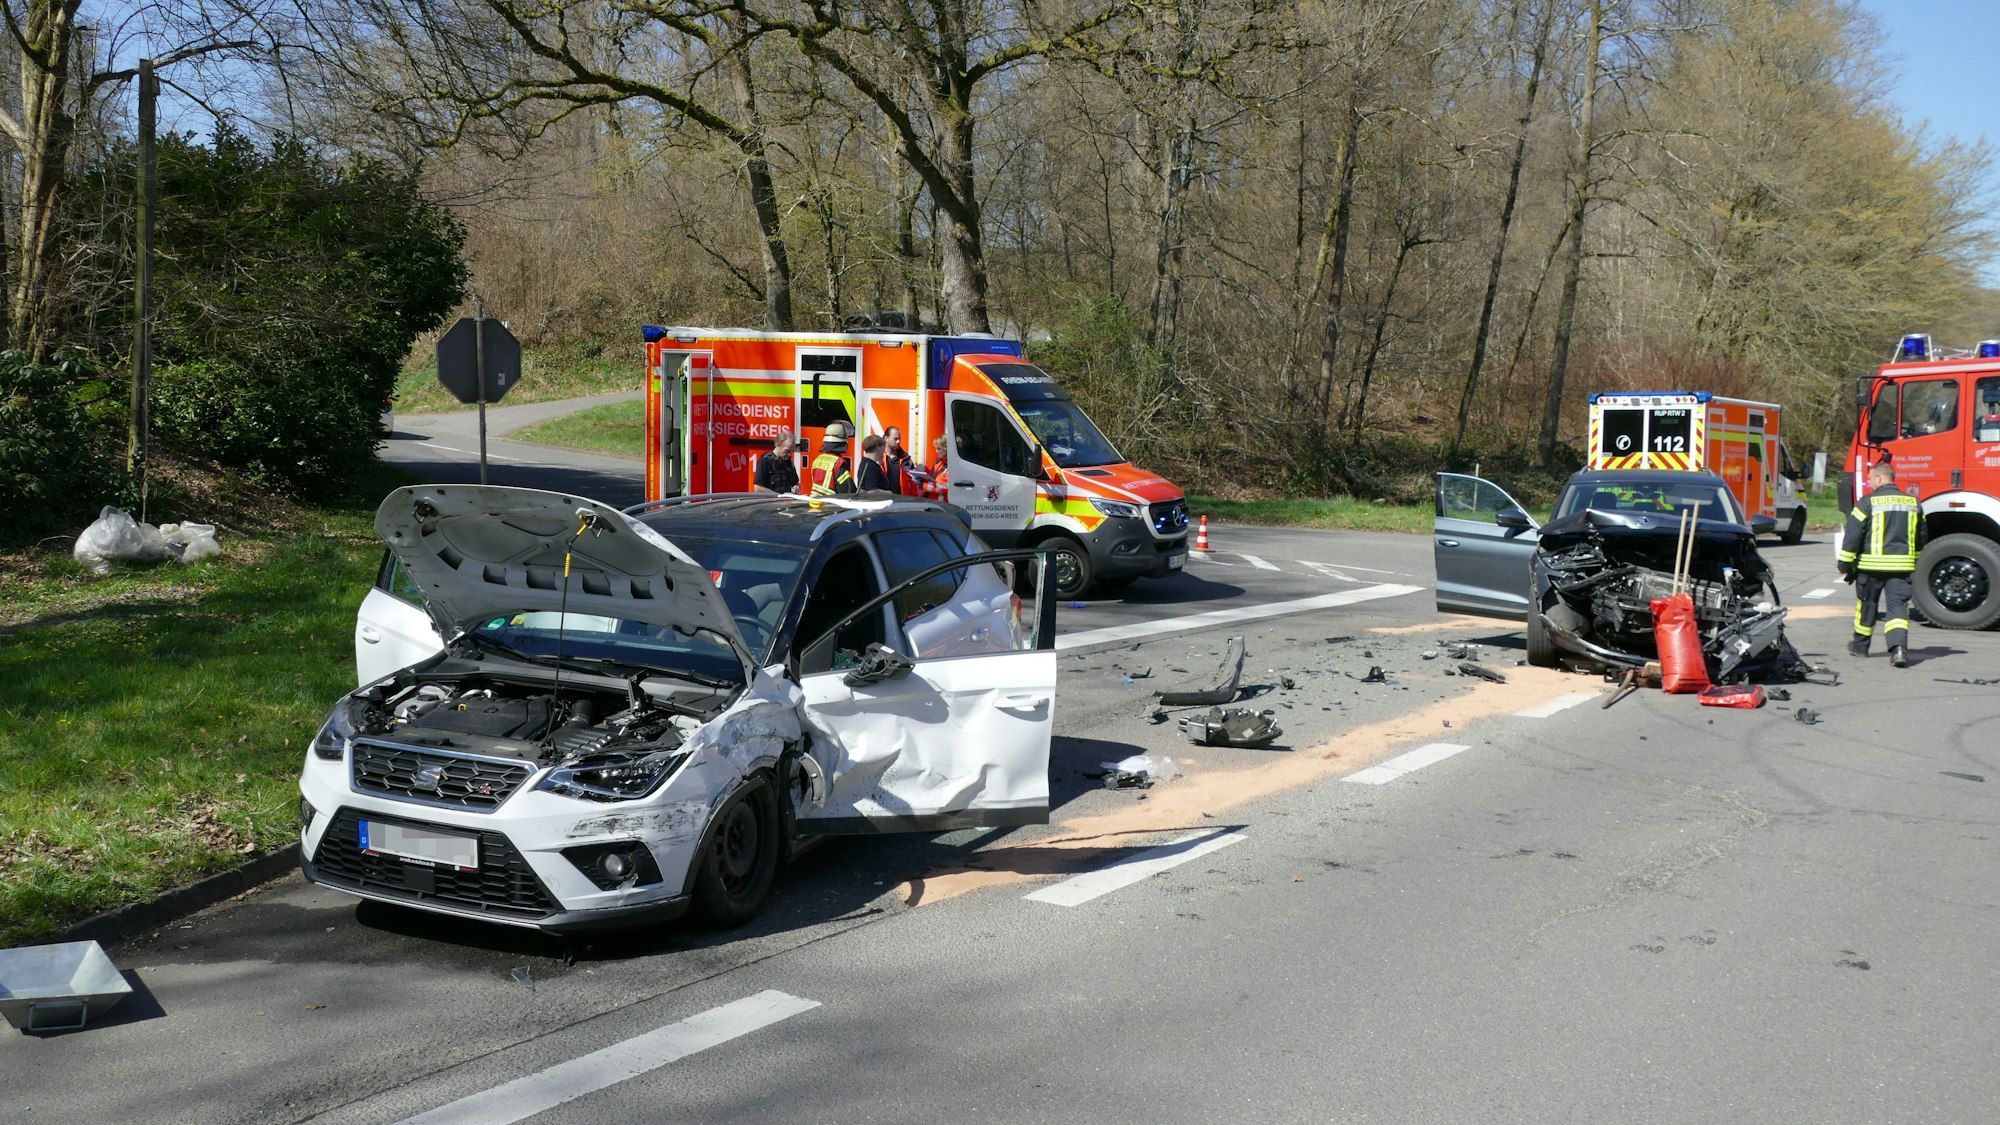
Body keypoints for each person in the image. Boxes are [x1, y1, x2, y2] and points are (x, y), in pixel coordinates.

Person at [1839, 459, 1924, 666]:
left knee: (1867, 606)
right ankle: (1899, 650)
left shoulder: (1867, 503)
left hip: (1870, 567)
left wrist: (1845, 563)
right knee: (1898, 609)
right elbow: (1921, 536)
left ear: (1879, 478)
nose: (1869, 483)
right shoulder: (1914, 503)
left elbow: (1853, 536)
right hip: (1901, 568)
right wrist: (1915, 559)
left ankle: (1861, 647)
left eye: (1870, 479)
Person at [808, 421, 857, 497]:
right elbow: (847, 490)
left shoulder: (818, 459)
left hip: (815, 502)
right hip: (831, 504)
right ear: (843, 442)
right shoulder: (839, 462)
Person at [884, 426, 915, 495]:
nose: (898, 442)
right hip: (883, 501)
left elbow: (914, 484)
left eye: (899, 439)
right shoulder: (879, 459)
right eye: (895, 439)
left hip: (901, 501)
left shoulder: (906, 460)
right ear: (886, 438)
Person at [924, 435, 950, 500]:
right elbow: (930, 479)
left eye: (939, 449)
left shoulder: (953, 466)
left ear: (946, 448)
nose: (936, 451)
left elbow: (946, 489)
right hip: (933, 503)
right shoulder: (938, 463)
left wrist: (923, 485)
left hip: (944, 506)